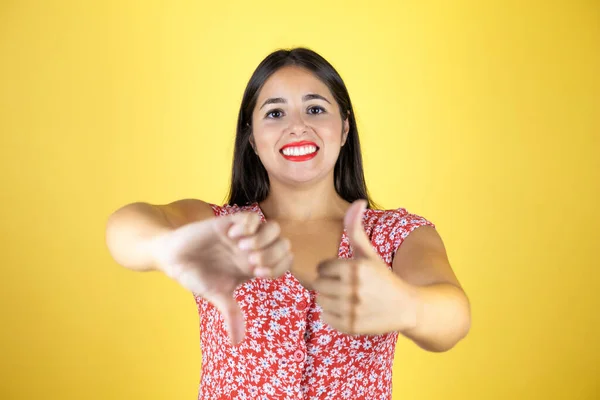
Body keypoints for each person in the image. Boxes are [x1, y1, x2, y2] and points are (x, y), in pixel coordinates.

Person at [105, 47, 471, 400]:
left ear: (344, 129)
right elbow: (125, 227)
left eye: (315, 109)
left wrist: (405, 305)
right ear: (252, 138)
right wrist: (166, 247)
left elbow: (453, 316)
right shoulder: (220, 229)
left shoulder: (392, 234)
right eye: (275, 113)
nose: (297, 127)